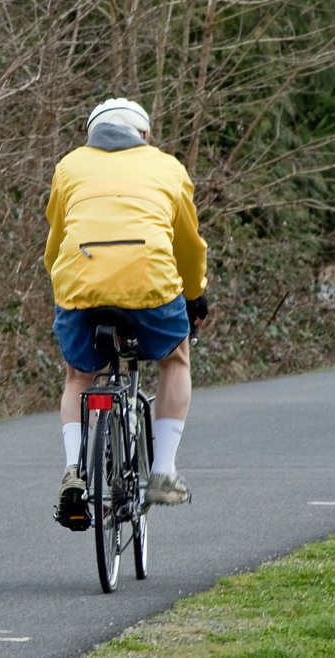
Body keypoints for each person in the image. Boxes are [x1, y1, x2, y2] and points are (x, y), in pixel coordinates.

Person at [44, 97, 208, 526]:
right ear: (145, 135)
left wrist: (65, 285)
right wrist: (195, 295)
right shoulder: (168, 168)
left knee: (79, 376)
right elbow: (188, 246)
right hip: (150, 284)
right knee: (175, 359)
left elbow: (57, 240)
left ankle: (74, 471)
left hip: (81, 283)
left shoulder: (69, 166)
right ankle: (163, 472)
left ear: (91, 133)